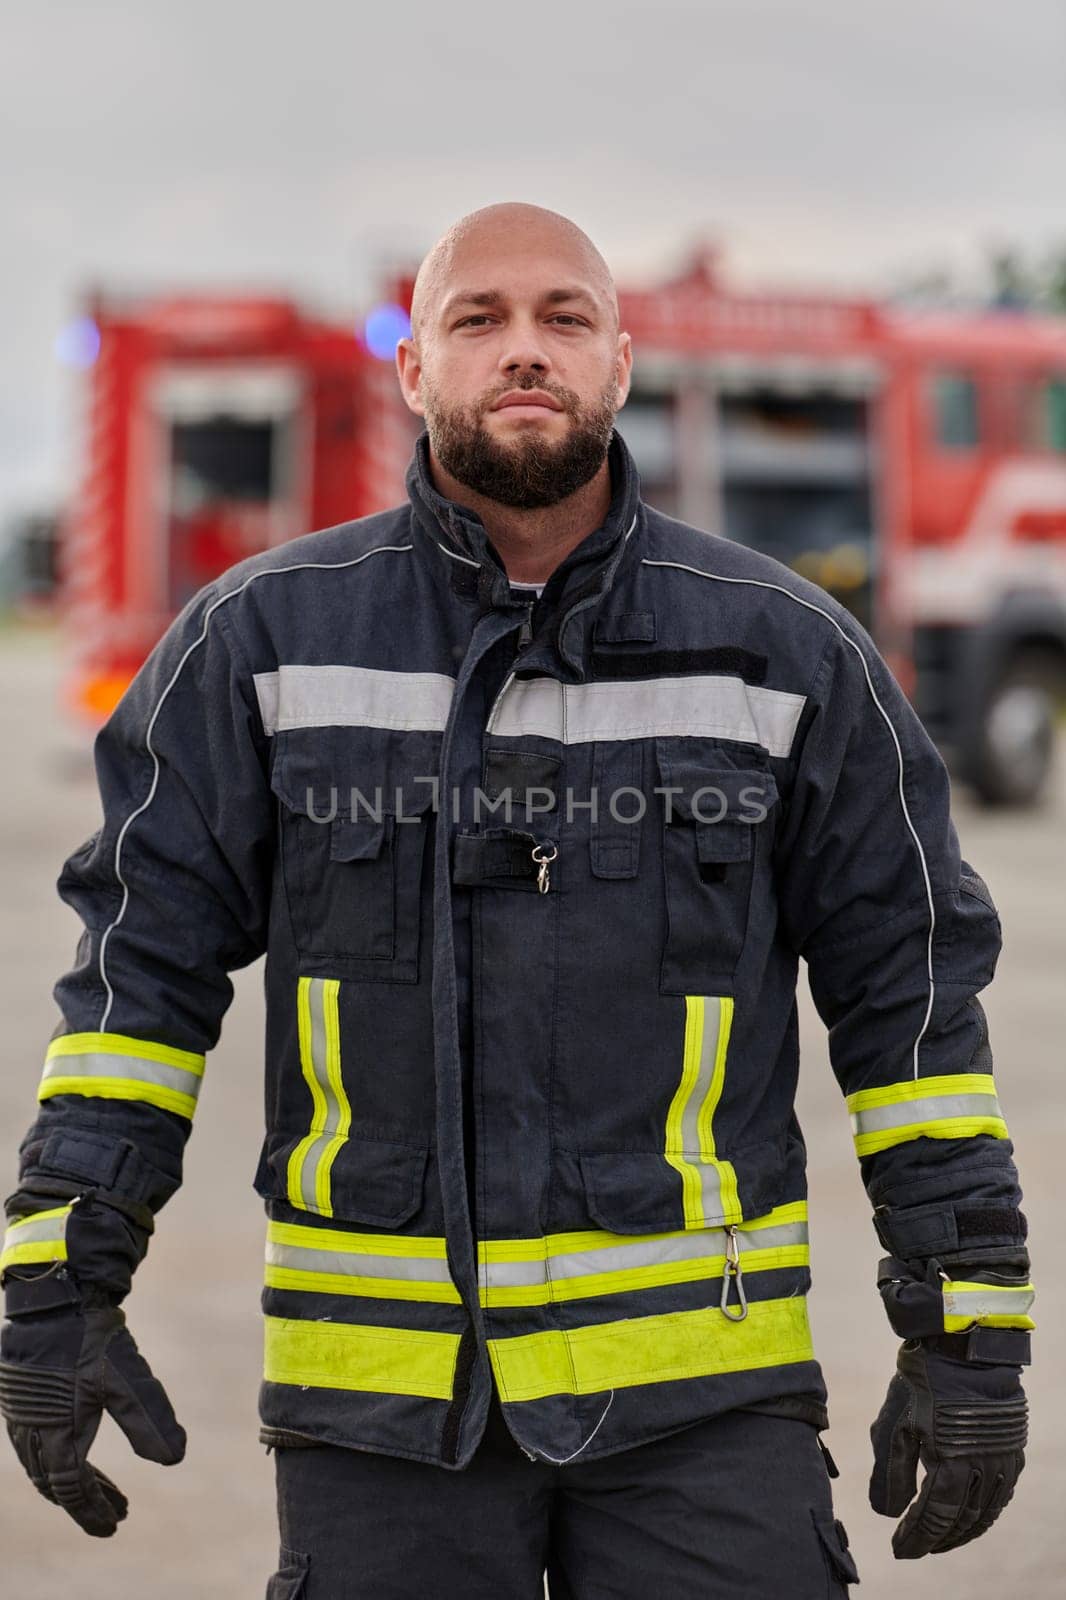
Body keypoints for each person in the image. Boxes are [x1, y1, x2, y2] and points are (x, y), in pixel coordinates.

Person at [0, 203, 1033, 1598]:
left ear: (620, 362)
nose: (523, 349)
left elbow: (909, 1011)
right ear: (412, 371)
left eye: (563, 317)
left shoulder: (788, 656)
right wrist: (62, 1270)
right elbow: (137, 987)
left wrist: (968, 1316)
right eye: (476, 319)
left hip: (706, 1410)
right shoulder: (258, 646)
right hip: (383, 1420)